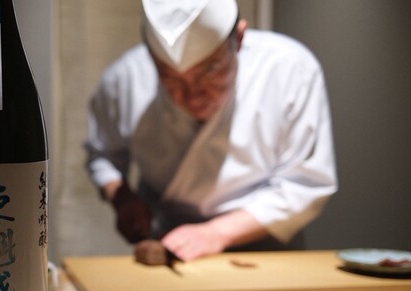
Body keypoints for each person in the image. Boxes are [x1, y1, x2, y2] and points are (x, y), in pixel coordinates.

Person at [84, 0, 338, 261]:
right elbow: (103, 155)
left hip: (265, 243)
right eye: (171, 79)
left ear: (239, 39)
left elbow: (304, 184)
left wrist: (216, 233)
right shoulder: (124, 79)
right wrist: (123, 198)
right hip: (167, 243)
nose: (193, 96)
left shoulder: (291, 69)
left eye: (211, 71)